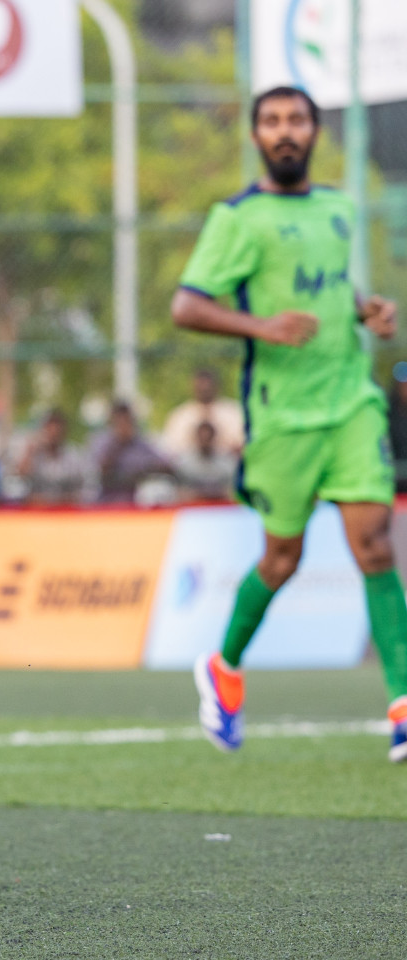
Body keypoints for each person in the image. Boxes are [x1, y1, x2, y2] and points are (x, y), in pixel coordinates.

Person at [172, 85, 407, 761]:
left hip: (351, 404)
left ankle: (401, 705)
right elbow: (187, 306)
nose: (285, 132)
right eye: (271, 121)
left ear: (314, 133)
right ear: (255, 137)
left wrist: (365, 311)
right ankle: (223, 668)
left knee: (376, 547)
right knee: (283, 558)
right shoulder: (238, 218)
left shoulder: (338, 208)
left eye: (296, 121)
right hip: (282, 418)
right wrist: (260, 326)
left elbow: (329, 287)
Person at [91, 400, 174, 504]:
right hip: (107, 500)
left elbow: (166, 465)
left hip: (137, 500)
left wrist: (145, 470)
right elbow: (100, 471)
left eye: (127, 420)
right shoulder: (100, 441)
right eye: (119, 421)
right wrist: (119, 443)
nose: (123, 425)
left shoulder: (140, 442)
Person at [14, 407, 92, 504]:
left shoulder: (75, 455)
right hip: (37, 511)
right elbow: (21, 476)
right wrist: (29, 452)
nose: (54, 432)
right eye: (49, 428)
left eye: (57, 428)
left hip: (68, 511)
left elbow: (87, 488)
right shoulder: (34, 453)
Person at [161, 367, 244, 457]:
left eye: (207, 387)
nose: (204, 390)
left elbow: (242, 444)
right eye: (200, 387)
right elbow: (170, 449)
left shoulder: (233, 412)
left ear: (217, 386)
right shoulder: (180, 416)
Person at [174, 420, 238, 502]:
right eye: (202, 438)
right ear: (196, 438)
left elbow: (232, 491)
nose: (205, 442)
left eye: (208, 438)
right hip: (193, 508)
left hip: (221, 508)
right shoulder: (183, 463)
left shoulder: (227, 462)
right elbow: (180, 492)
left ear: (213, 437)